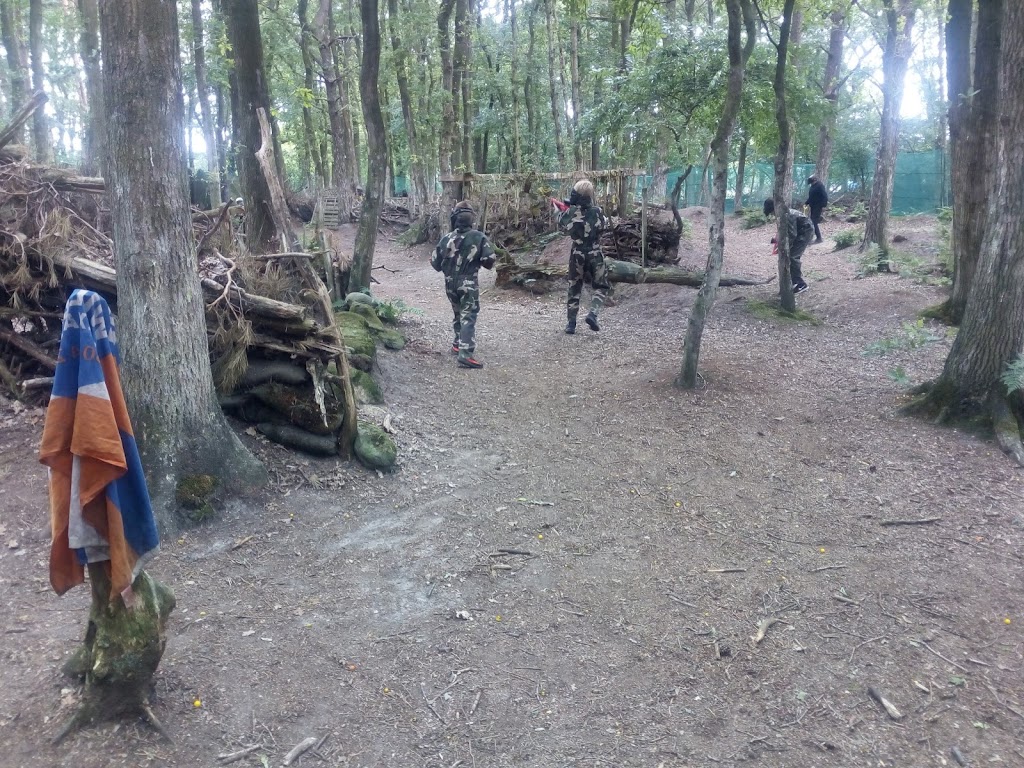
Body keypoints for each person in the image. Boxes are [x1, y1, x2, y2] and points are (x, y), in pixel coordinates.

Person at [431, 200, 495, 369]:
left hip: (449, 284)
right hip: (468, 283)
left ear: (455, 218)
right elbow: (489, 261)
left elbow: (435, 264)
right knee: (468, 316)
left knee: (458, 313)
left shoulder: (446, 238)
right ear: (471, 218)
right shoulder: (479, 237)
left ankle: (457, 344)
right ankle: (465, 354)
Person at [556, 179, 609, 334]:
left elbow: (562, 225)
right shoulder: (598, 211)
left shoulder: (570, 212)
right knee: (601, 286)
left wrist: (561, 210)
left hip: (577, 253)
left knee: (574, 287)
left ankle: (571, 324)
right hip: (595, 253)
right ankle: (593, 314)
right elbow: (603, 226)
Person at [764, 198, 814, 294]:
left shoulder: (787, 215)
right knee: (790, 256)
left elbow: (792, 234)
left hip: (805, 232)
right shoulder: (784, 213)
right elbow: (785, 231)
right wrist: (778, 240)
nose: (772, 215)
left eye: (772, 212)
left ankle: (800, 284)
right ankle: (792, 281)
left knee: (793, 257)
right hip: (801, 231)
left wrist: (783, 246)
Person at [805, 175, 828, 243]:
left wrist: (823, 205)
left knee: (814, 222)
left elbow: (825, 196)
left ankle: (819, 238)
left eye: (811, 182)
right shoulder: (812, 186)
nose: (811, 183)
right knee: (812, 222)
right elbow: (811, 197)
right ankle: (814, 237)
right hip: (813, 206)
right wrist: (806, 203)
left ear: (814, 180)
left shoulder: (820, 186)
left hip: (818, 206)